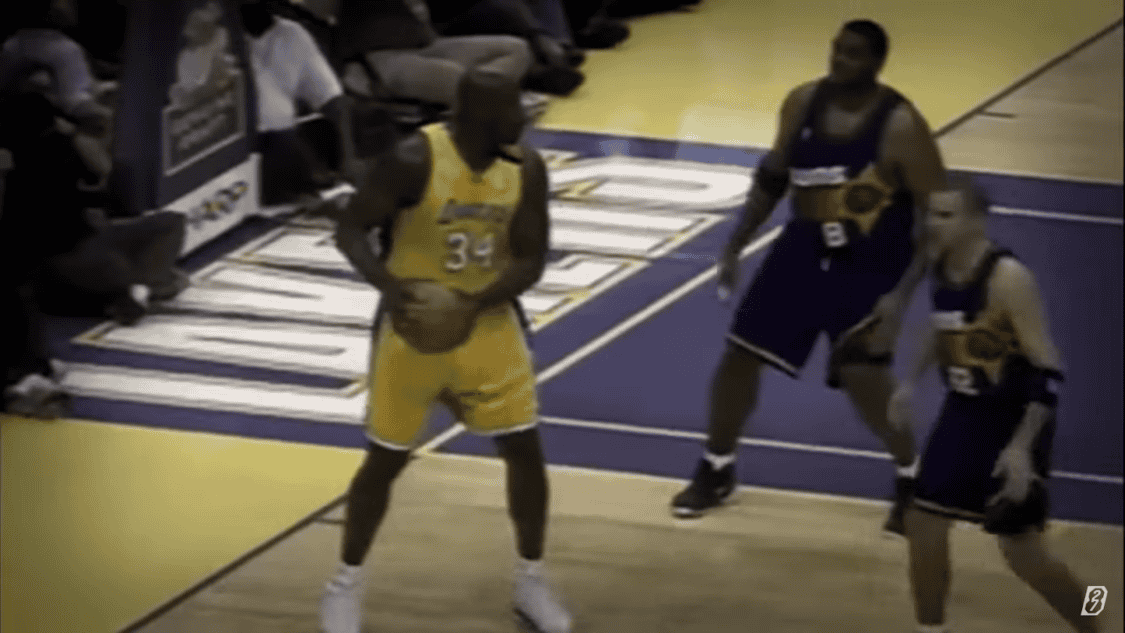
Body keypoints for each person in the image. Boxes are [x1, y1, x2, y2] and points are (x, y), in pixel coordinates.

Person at [319, 67, 572, 633]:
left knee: (525, 451)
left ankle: (531, 580)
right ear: (479, 118)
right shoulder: (415, 158)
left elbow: (531, 258)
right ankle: (343, 586)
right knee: (385, 461)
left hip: (487, 324)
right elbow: (350, 229)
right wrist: (390, 290)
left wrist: (474, 302)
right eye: (513, 110)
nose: (524, 117)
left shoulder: (525, 169)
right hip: (414, 332)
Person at [670, 20, 947, 537]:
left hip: (871, 260)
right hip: (802, 248)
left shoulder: (902, 125)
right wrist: (734, 242)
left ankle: (913, 479)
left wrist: (901, 296)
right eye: (836, 50)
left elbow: (938, 216)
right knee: (738, 356)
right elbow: (773, 176)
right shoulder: (802, 102)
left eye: (854, 54)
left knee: (864, 374)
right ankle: (717, 466)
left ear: (876, 63)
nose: (839, 61)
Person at [889, 180, 1099, 633]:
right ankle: (931, 628)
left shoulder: (1007, 278)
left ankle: (1097, 617)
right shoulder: (940, 264)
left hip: (1013, 419)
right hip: (962, 413)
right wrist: (909, 382)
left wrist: (1022, 448)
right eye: (931, 214)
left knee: (1024, 556)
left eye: (946, 215)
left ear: (974, 220)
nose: (933, 224)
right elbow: (940, 326)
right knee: (922, 523)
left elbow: (1049, 370)